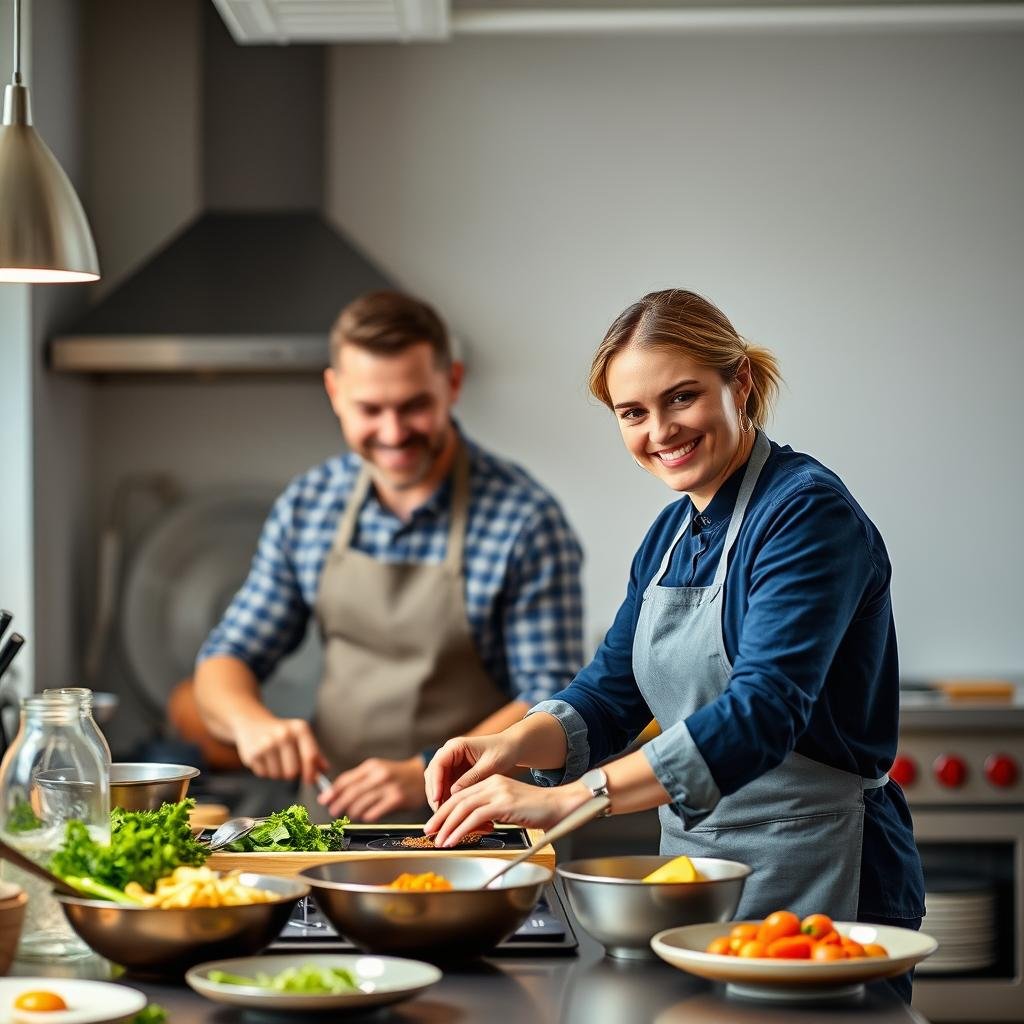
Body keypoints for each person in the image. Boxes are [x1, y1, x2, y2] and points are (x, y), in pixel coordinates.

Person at [424, 289, 926, 1002]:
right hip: (697, 892)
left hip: (821, 881)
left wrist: (575, 799)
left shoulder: (808, 514)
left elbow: (762, 712)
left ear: (740, 383)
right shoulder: (669, 535)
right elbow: (607, 695)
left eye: (681, 397)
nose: (660, 430)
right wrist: (509, 744)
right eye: (633, 412)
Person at [194, 290, 584, 822]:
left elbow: (552, 699)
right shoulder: (309, 505)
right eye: (370, 409)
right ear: (335, 391)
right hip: (330, 824)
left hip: (473, 824)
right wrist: (250, 724)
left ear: (452, 384)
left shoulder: (526, 519)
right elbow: (226, 657)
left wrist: (425, 769)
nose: (394, 432)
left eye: (414, 406)